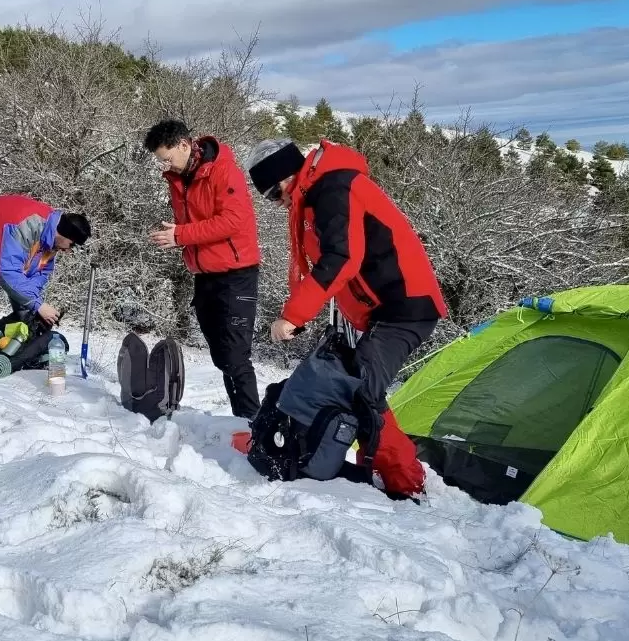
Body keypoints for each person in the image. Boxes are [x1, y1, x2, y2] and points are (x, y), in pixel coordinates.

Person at [244, 136, 446, 480]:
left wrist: (294, 316)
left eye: (273, 193)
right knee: (360, 386)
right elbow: (312, 264)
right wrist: (299, 314)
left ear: (286, 175)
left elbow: (341, 259)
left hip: (404, 304)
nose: (275, 202)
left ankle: (405, 480)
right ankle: (377, 468)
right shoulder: (313, 194)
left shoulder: (334, 187)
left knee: (363, 391)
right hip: (378, 309)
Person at [143, 119, 262, 420]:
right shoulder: (178, 177)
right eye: (162, 161)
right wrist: (178, 235)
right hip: (204, 275)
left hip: (236, 274)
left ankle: (252, 424)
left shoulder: (223, 171)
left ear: (184, 144)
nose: (166, 165)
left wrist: (180, 235)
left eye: (168, 158)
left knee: (235, 357)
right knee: (222, 356)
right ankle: (241, 422)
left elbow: (233, 221)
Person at [0, 194, 91, 344]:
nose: (69, 251)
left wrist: (35, 306)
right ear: (64, 234)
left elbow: (39, 273)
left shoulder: (52, 240)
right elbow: (7, 274)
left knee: (27, 311)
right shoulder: (25, 226)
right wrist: (39, 306)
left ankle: (13, 349)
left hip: (3, 256)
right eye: (72, 245)